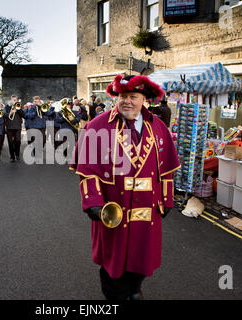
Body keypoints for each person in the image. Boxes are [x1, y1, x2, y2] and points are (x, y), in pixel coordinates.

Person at [70, 74, 180, 300]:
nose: (127, 101)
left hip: (147, 210)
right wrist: (93, 203)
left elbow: (166, 169)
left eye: (133, 96)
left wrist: (167, 199)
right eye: (122, 96)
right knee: (113, 263)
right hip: (113, 210)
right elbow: (88, 171)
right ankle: (117, 296)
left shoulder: (158, 127)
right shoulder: (97, 126)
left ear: (144, 99)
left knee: (141, 256)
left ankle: (135, 288)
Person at [4, 95, 25, 162]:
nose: (14, 101)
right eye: (12, 100)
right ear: (10, 100)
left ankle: (17, 154)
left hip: (17, 127)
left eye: (15, 100)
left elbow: (23, 115)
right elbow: (3, 114)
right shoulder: (7, 106)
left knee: (18, 141)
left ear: (17, 100)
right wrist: (10, 112)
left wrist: (18, 109)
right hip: (9, 127)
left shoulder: (19, 106)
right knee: (10, 142)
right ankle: (12, 156)